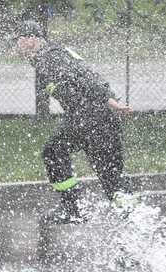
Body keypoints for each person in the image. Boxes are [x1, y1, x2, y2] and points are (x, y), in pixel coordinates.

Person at [16, 20, 135, 224]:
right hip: (97, 117)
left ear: (30, 40)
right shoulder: (53, 53)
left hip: (90, 116)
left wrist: (109, 101)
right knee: (110, 176)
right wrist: (109, 104)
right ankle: (135, 218)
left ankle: (73, 208)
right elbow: (86, 74)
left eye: (18, 40)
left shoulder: (49, 58)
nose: (16, 45)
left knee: (54, 151)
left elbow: (83, 78)